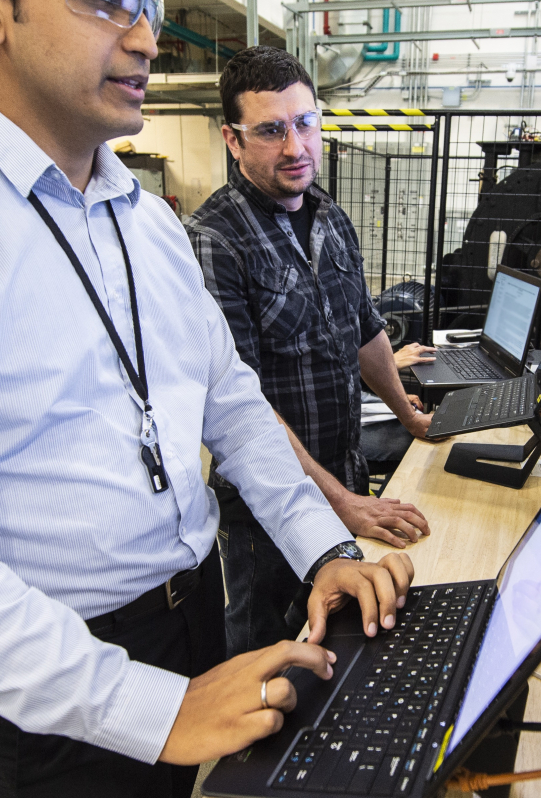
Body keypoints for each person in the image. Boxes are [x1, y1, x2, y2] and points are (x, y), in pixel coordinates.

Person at [0, 0, 413, 796]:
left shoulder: (147, 220)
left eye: (144, 1)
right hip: (48, 669)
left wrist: (325, 549)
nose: (146, 37)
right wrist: (150, 708)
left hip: (190, 618)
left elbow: (231, 405)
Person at [185, 49, 437, 657]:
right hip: (267, 507)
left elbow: (366, 333)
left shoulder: (329, 215)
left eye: (305, 123)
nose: (295, 146)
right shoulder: (215, 240)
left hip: (345, 468)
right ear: (233, 140)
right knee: (268, 651)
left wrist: (409, 417)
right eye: (271, 130)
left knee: (338, 641)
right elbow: (241, 406)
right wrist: (341, 503)